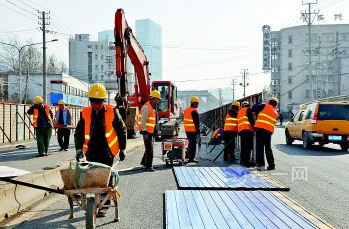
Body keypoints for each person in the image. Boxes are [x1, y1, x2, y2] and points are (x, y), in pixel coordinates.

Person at [74, 83, 127, 166]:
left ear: (103, 100)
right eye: (93, 101)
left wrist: (123, 148)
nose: (96, 105)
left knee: (106, 177)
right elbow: (79, 132)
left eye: (99, 102)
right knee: (93, 177)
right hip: (91, 153)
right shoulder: (85, 113)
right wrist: (78, 149)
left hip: (107, 153)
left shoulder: (112, 111)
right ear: (90, 100)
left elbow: (122, 130)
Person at [252, 97, 279, 171]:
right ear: (276, 104)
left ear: (269, 102)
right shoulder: (275, 112)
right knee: (268, 148)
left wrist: (258, 103)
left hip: (260, 129)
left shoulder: (265, 106)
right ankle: (271, 165)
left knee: (260, 147)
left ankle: (261, 165)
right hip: (268, 131)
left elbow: (254, 108)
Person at [138, 90, 161, 171]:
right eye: (158, 99)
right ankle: (149, 166)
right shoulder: (147, 107)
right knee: (150, 149)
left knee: (148, 148)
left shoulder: (152, 107)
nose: (158, 101)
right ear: (154, 98)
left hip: (150, 132)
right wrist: (145, 133)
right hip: (146, 132)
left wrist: (155, 131)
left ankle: (144, 163)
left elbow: (152, 121)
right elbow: (143, 121)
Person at [183, 96, 200, 163]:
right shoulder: (194, 111)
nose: (198, 105)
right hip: (193, 131)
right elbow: (196, 123)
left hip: (187, 130)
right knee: (193, 145)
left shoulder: (186, 110)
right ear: (195, 103)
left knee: (190, 143)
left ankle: (188, 156)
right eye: (197, 103)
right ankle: (191, 158)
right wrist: (198, 132)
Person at [238, 101, 255, 167]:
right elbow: (251, 119)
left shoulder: (240, 111)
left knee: (243, 146)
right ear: (248, 105)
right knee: (248, 147)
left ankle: (242, 161)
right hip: (248, 130)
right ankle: (246, 162)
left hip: (241, 131)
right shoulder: (248, 109)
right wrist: (255, 127)